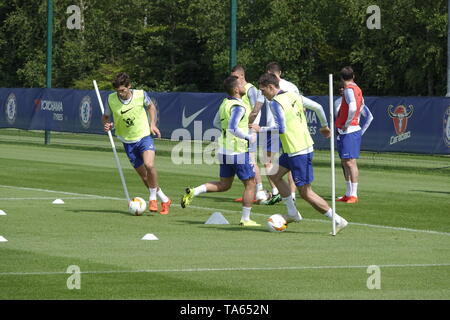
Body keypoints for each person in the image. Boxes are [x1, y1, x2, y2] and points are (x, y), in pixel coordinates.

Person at [251, 72, 348, 234]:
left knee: (306, 193)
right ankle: (292, 213)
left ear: (270, 87)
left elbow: (281, 128)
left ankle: (338, 220)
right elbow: (317, 107)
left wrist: (261, 129)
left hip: (298, 151)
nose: (262, 94)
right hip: (294, 149)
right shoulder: (293, 95)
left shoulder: (275, 103)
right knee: (274, 174)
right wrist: (323, 126)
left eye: (263, 90)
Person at [181, 75, 260, 227]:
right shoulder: (239, 106)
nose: (244, 86)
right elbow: (232, 128)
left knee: (224, 185)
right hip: (237, 151)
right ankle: (246, 219)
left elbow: (216, 122)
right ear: (236, 89)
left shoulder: (225, 103)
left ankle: (194, 191)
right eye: (241, 84)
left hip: (224, 150)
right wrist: (248, 137)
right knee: (251, 184)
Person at [102, 72, 171, 215]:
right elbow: (106, 117)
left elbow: (151, 107)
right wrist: (107, 125)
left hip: (144, 136)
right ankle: (164, 199)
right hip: (127, 142)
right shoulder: (111, 99)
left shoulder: (140, 94)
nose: (120, 93)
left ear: (129, 86)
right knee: (145, 177)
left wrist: (152, 124)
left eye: (123, 90)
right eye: (118, 91)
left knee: (149, 165)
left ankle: (152, 198)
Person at [250, 62, 301, 205]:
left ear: (268, 72)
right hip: (291, 130)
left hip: (273, 129)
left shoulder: (267, 86)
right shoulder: (292, 87)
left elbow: (256, 109)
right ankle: (292, 194)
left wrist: (251, 123)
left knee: (268, 162)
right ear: (281, 72)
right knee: (290, 163)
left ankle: (276, 192)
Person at [228, 65, 267, 203]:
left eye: (236, 77)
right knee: (248, 159)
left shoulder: (250, 89)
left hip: (248, 129)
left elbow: (256, 109)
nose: (234, 80)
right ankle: (253, 191)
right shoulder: (239, 90)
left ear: (242, 76)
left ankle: (260, 191)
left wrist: (251, 126)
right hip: (243, 130)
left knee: (250, 159)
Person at [334, 81, 373, 203]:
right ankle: (347, 193)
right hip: (341, 134)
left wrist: (360, 132)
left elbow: (369, 117)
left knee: (351, 163)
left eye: (343, 87)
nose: (341, 90)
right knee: (344, 162)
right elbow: (335, 118)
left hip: (351, 132)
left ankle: (354, 194)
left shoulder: (356, 101)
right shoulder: (337, 102)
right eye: (340, 88)